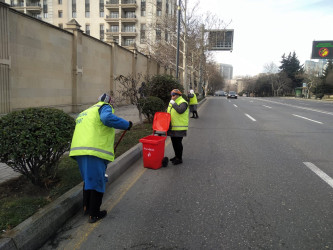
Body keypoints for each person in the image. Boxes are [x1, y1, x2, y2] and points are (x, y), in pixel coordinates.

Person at [69, 93, 132, 223]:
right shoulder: (104, 107)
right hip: (93, 151)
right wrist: (127, 124)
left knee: (88, 180)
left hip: (79, 150)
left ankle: (87, 208)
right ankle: (95, 214)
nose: (112, 104)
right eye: (112, 102)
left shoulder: (86, 111)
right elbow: (107, 118)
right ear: (108, 101)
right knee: (98, 182)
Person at [167, 89, 189, 165]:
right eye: (171, 95)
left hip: (180, 127)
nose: (172, 97)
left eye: (174, 95)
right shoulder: (173, 102)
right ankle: (176, 156)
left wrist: (173, 104)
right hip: (172, 127)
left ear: (179, 95)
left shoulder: (183, 102)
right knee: (174, 143)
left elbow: (180, 110)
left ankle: (179, 158)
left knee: (178, 143)